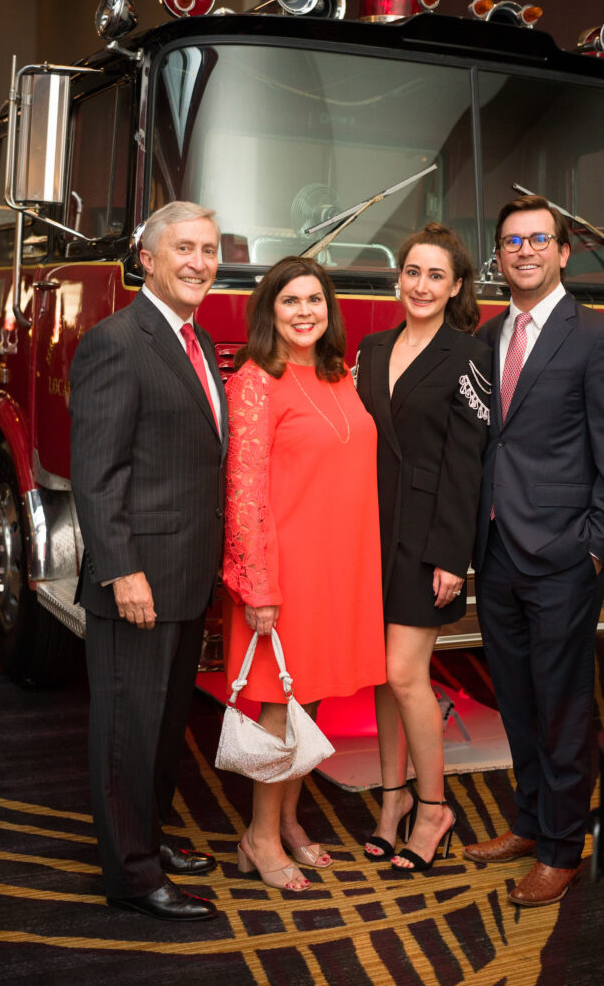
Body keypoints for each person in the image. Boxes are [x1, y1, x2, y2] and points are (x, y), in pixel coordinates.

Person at [466, 194, 604, 906]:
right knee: (514, 698)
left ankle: (564, 849)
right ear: (500, 257)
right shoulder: (488, 335)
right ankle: (532, 822)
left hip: (567, 557)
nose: (526, 251)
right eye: (513, 241)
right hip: (499, 549)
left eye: (540, 239)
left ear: (564, 252)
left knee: (565, 704)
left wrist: (596, 549)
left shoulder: (598, 337)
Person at [70, 201, 227, 921]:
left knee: (163, 729)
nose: (200, 262)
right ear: (148, 259)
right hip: (137, 579)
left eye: (210, 249)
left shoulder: (196, 340)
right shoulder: (117, 341)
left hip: (184, 577)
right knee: (125, 733)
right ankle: (132, 875)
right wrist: (122, 569)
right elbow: (97, 474)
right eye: (185, 248)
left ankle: (149, 839)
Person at [222, 255, 386, 893]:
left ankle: (287, 820)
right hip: (284, 570)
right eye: (290, 301)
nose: (304, 312)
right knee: (276, 705)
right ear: (270, 312)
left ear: (328, 309)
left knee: (307, 700)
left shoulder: (336, 375)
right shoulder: (255, 381)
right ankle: (258, 837)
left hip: (337, 566)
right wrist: (257, 584)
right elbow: (243, 490)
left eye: (314, 300)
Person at [355, 223, 491, 872]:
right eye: (412, 271)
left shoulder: (468, 357)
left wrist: (451, 557)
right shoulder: (371, 349)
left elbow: (467, 466)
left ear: (456, 286)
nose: (421, 284)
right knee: (384, 676)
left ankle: (433, 808)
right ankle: (392, 800)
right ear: (398, 276)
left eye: (436, 275)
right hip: (369, 536)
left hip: (425, 540)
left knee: (407, 674)